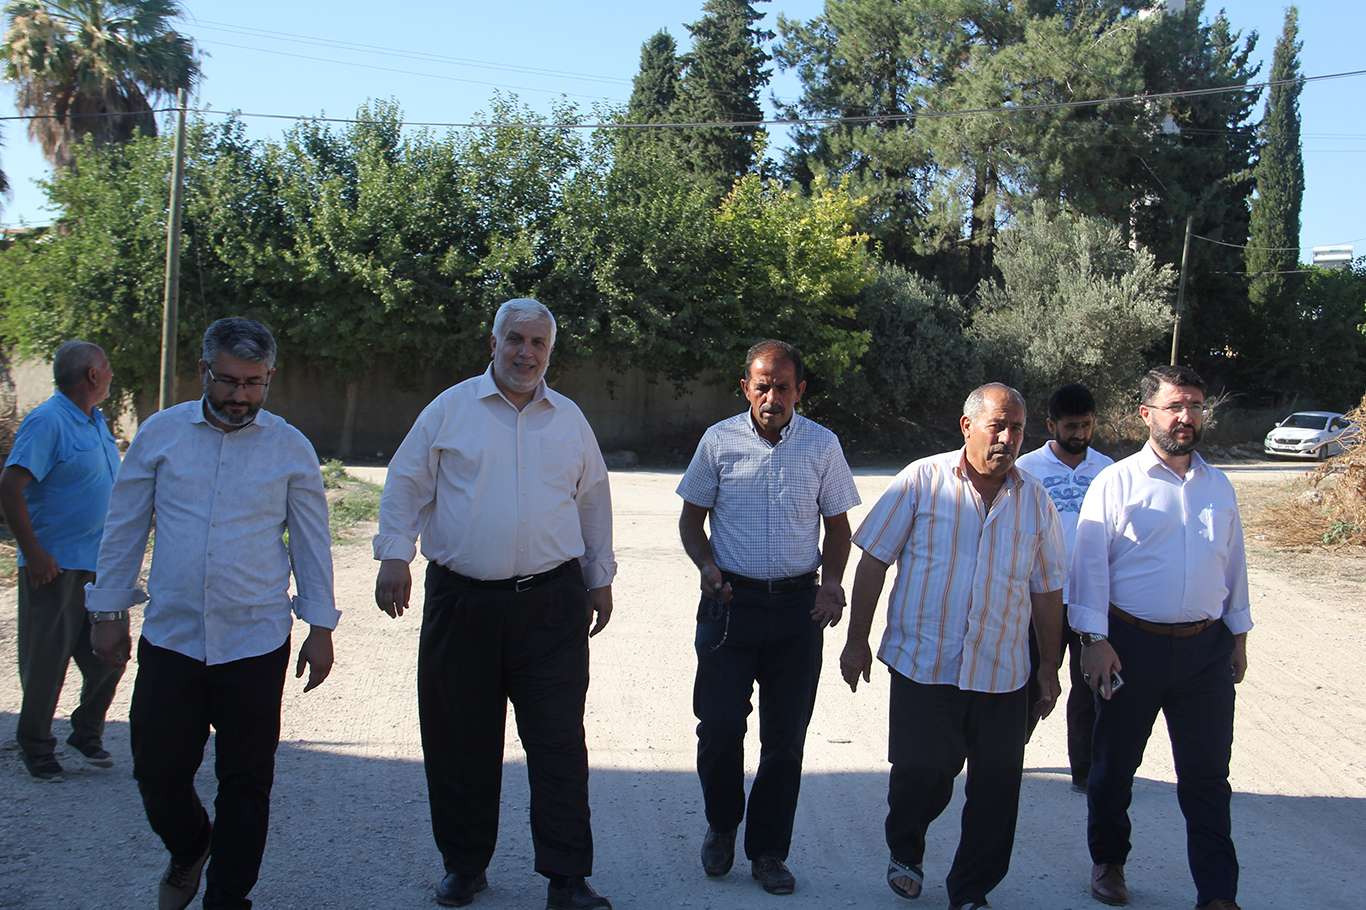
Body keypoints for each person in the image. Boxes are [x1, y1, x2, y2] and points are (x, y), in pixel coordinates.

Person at [86, 317, 338, 910]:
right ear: (204, 371)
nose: (239, 396)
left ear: (269, 377)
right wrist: (108, 610)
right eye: (227, 380)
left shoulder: (290, 449)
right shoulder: (161, 435)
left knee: (246, 783)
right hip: (172, 638)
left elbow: (311, 543)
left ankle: (228, 898)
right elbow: (125, 526)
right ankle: (192, 844)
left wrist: (320, 626)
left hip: (255, 642)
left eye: (254, 383)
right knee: (157, 772)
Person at [373, 298, 615, 910]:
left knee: (558, 743)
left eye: (538, 343)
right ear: (493, 342)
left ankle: (567, 878)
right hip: (463, 605)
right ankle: (464, 866)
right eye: (515, 339)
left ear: (550, 353)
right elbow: (405, 484)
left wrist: (599, 577)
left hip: (552, 606)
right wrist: (395, 555)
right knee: (460, 743)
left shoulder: (569, 420)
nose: (525, 353)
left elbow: (593, 501)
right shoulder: (450, 410)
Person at [840, 382, 1066, 910]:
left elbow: (1047, 589)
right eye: (997, 426)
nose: (1007, 438)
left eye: (1017, 429)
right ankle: (906, 848)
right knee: (923, 774)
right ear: (967, 426)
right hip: (925, 665)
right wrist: (856, 641)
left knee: (997, 788)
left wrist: (1049, 667)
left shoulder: (1035, 498)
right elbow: (873, 560)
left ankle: (971, 889)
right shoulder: (922, 480)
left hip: (1002, 670)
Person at [676, 339, 861, 896]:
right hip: (730, 605)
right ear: (745, 388)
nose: (772, 397)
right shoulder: (718, 442)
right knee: (719, 728)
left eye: (783, 387)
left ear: (799, 390)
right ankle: (722, 825)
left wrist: (832, 584)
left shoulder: (822, 445)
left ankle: (769, 852)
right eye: (762, 386)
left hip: (797, 613)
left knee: (784, 741)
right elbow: (690, 523)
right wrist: (707, 567)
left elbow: (838, 529)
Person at [1070, 365, 1250, 910]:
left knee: (1207, 777)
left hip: (1205, 651)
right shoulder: (1116, 482)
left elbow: (1233, 564)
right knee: (1113, 768)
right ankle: (1109, 862)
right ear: (1146, 414)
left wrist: (1238, 634)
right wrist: (1094, 640)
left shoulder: (1218, 485)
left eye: (1194, 406)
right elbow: (1088, 567)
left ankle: (1217, 893)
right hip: (1130, 648)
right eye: (1175, 406)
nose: (1186, 416)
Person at [1, 341, 122, 780]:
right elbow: (10, 486)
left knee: (112, 653)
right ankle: (36, 748)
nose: (111, 374)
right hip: (55, 566)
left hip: (101, 565)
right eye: (107, 367)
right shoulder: (48, 422)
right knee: (47, 663)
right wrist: (33, 552)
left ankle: (85, 731)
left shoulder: (96, 420)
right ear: (92, 375)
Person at [1015, 383, 1114, 789]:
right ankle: (1005, 756)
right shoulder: (1027, 469)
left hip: (1091, 600)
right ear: (1051, 425)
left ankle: (1086, 773)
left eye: (1086, 425)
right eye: (1071, 426)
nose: (1079, 434)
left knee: (1091, 688)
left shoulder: (1108, 471)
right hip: (1040, 599)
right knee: (1028, 683)